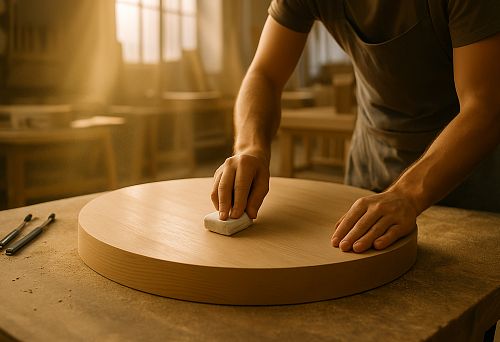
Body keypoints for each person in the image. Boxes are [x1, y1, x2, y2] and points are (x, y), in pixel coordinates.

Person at [211, 0, 500, 253]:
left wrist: (408, 195)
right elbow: (264, 75)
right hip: (371, 162)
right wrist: (250, 148)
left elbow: (485, 107)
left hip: (467, 169)